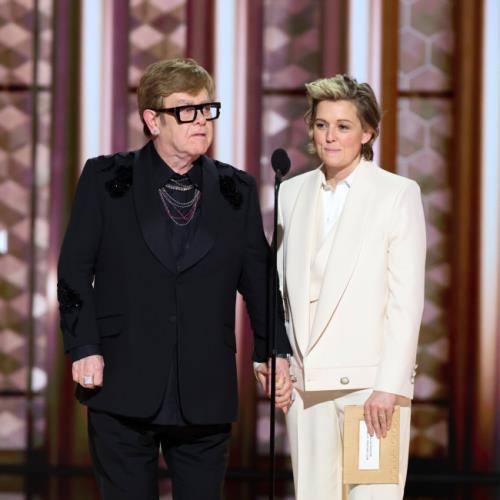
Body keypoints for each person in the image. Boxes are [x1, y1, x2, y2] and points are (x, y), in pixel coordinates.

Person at [57, 57, 292, 500]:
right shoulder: (106, 178)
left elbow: (259, 281)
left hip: (205, 386)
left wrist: (272, 351)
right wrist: (84, 346)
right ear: (153, 120)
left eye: (207, 109)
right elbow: (74, 271)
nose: (202, 120)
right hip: (121, 380)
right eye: (187, 110)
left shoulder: (236, 190)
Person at [277, 74, 426, 499]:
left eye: (343, 126)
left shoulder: (396, 193)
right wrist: (278, 359)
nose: (330, 136)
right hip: (307, 388)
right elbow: (283, 294)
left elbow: (405, 301)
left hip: (370, 388)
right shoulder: (291, 192)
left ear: (367, 133)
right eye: (322, 125)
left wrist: (389, 387)